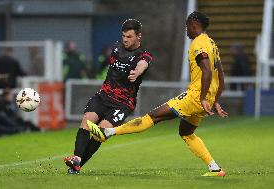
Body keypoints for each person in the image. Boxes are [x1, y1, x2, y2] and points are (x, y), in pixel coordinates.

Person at [88, 11, 228, 177]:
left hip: (196, 97)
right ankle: (215, 168)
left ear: (194, 25)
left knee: (153, 116)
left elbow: (207, 71)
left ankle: (107, 133)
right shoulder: (212, 43)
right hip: (206, 98)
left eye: (187, 26)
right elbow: (221, 75)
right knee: (186, 132)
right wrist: (214, 99)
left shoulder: (198, 43)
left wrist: (203, 97)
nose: (186, 30)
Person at [64, 19, 153, 174]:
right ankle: (76, 158)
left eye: (130, 36)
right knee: (87, 121)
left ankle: (78, 165)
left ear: (139, 36)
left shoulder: (143, 55)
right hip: (104, 96)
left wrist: (137, 72)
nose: (125, 39)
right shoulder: (116, 48)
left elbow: (143, 64)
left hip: (123, 103)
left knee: (101, 132)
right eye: (124, 35)